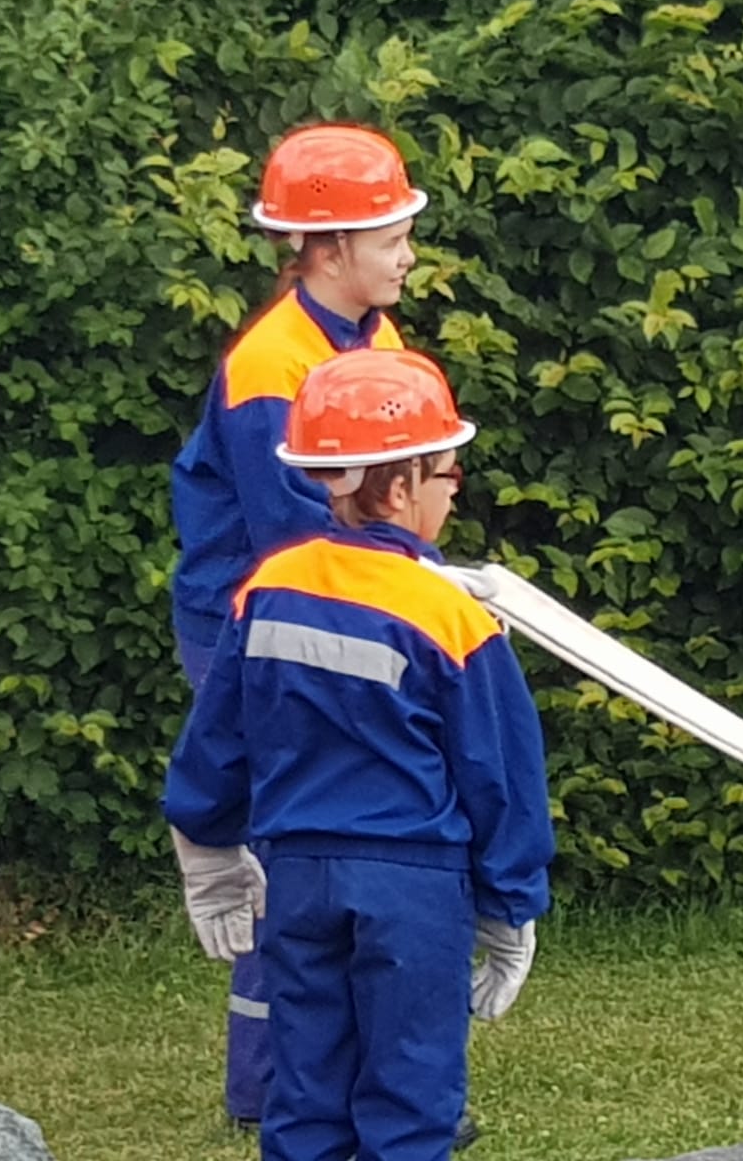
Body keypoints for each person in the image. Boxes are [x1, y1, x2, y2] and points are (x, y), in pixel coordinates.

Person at [163, 348, 555, 1161]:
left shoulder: (270, 586)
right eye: (449, 474)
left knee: (305, 1096)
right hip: (414, 886)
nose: (455, 492)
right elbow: (502, 776)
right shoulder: (449, 615)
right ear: (402, 485)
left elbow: (218, 737)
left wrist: (208, 849)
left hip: (299, 878)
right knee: (409, 1098)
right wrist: (510, 907)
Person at [170, 120, 458, 1137]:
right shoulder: (271, 366)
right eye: (392, 237)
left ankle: (357, 1081)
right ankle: (272, 1088)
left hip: (331, 603)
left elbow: (380, 511)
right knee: (286, 852)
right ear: (330, 247)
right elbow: (297, 536)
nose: (409, 256)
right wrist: (421, 602)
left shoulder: (374, 341)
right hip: (256, 623)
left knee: (337, 838)